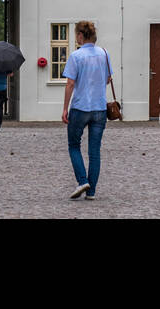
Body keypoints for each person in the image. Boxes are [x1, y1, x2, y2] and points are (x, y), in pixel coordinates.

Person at [62, 20, 110, 201]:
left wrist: (65, 108)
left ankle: (83, 181)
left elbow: (70, 83)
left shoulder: (76, 56)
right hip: (99, 107)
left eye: (76, 35)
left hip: (81, 107)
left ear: (81, 36)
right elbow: (107, 79)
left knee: (74, 145)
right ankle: (91, 192)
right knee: (94, 151)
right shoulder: (105, 54)